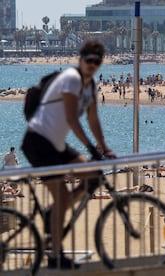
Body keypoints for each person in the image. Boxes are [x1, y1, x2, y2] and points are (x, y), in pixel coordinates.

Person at [21, 40, 116, 270]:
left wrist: (104, 147)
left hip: (56, 145)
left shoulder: (90, 86)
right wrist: (92, 148)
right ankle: (55, 255)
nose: (92, 65)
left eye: (97, 61)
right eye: (89, 60)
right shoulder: (71, 79)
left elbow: (93, 120)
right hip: (38, 142)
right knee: (62, 196)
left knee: (92, 175)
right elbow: (73, 118)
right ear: (81, 60)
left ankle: (52, 212)